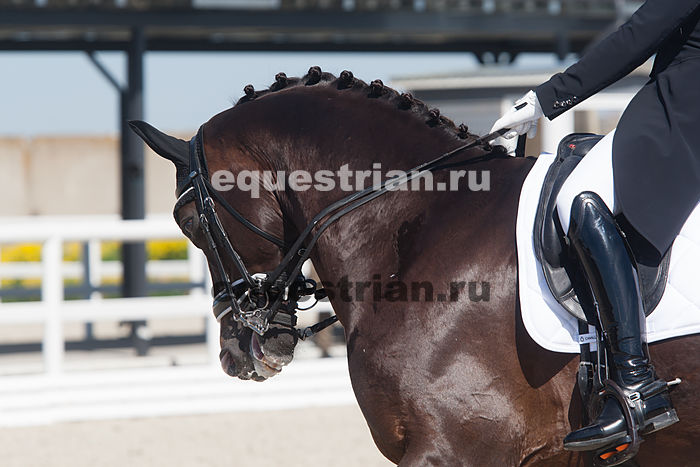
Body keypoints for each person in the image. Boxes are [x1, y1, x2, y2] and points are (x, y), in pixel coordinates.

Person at [490, 0, 700, 454]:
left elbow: (639, 34)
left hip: (684, 106)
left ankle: (636, 382)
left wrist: (544, 100)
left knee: (579, 199)